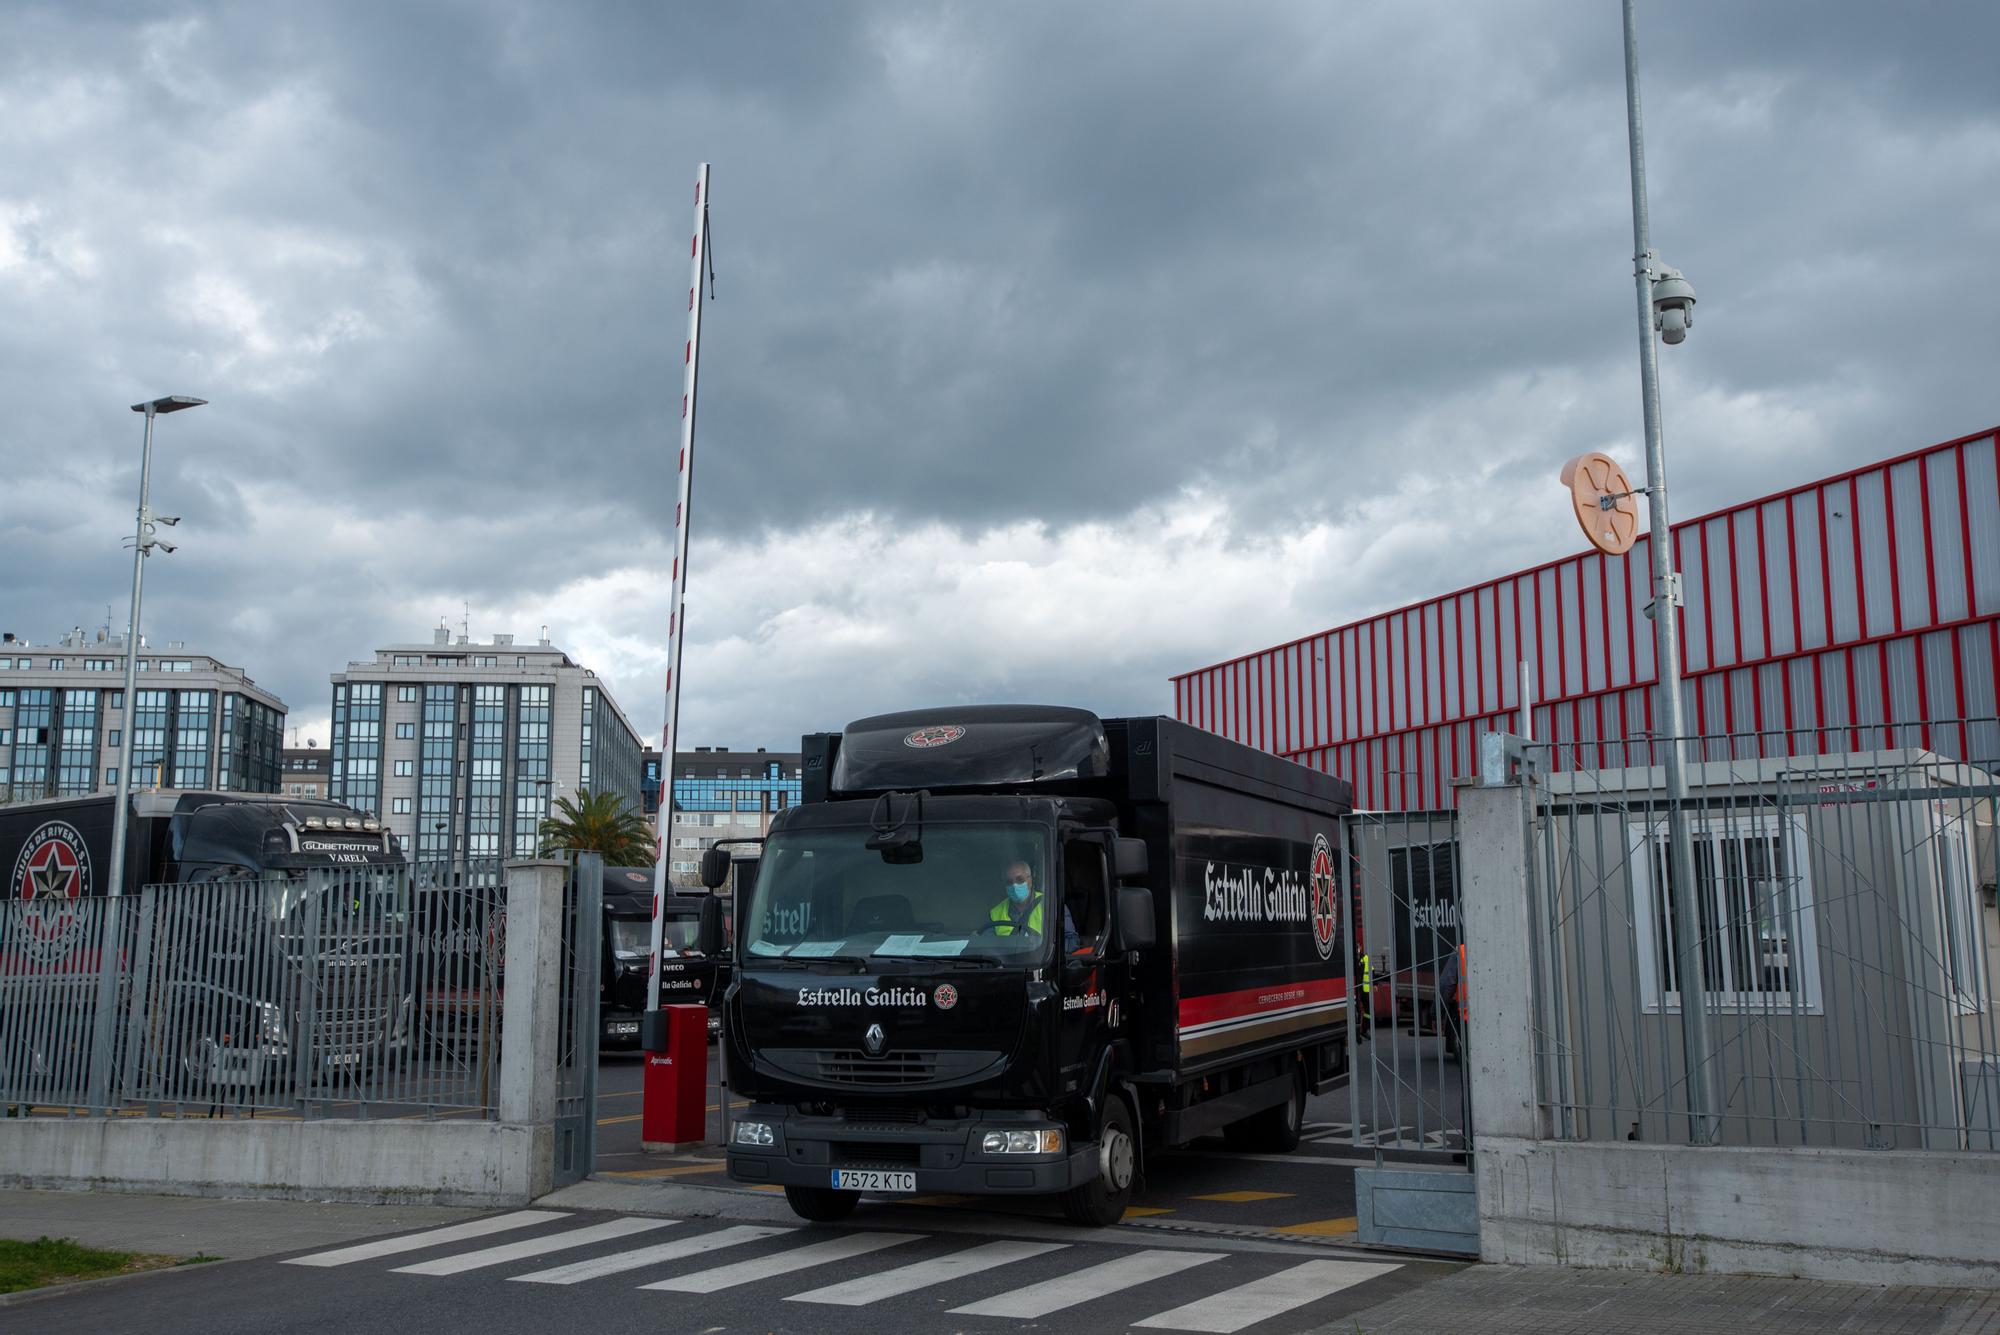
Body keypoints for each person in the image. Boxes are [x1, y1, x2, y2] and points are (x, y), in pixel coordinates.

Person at [989, 860, 1081, 953]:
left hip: (1042, 963)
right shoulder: (995, 912)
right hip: (1008, 965)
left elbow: (1071, 940)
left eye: (1020, 879)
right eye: (1009, 882)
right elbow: (988, 946)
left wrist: (1042, 947)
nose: (1014, 885)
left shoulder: (1053, 906)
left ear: (1030, 881)